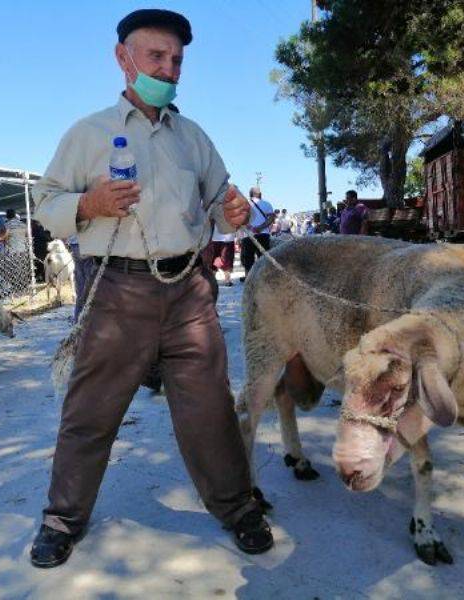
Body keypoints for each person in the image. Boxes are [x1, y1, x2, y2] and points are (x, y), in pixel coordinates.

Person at [29, 9, 273, 568]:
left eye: (177, 60)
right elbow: (46, 204)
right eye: (157, 57)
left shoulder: (193, 138)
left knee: (209, 407)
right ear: (123, 58)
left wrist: (235, 210)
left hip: (188, 288)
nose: (169, 69)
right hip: (116, 290)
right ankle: (62, 518)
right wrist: (88, 204)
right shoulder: (87, 133)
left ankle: (238, 509)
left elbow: (222, 202)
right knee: (91, 410)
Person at [239, 186, 274, 281]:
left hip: (248, 235)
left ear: (250, 195)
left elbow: (241, 219)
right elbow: (271, 218)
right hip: (263, 234)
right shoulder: (267, 204)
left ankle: (249, 279)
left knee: (248, 260)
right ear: (260, 194)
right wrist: (260, 228)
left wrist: (249, 226)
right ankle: (265, 278)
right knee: (264, 258)